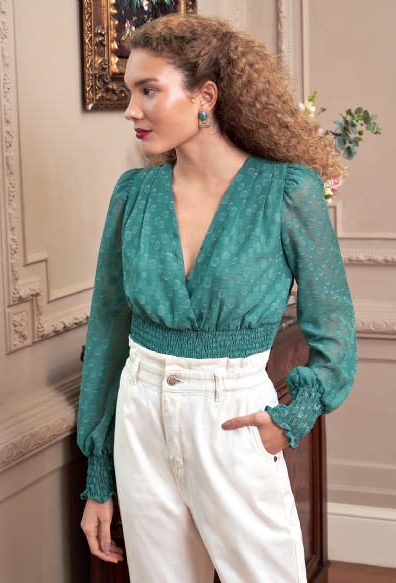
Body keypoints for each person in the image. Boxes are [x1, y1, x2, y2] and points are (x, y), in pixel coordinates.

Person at [77, 14, 357, 583]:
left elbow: (334, 328)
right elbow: (108, 331)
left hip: (234, 419)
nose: (131, 110)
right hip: (139, 415)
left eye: (148, 90)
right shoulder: (134, 194)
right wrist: (99, 477)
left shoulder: (288, 190)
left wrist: (293, 416)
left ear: (205, 96)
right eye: (130, 92)